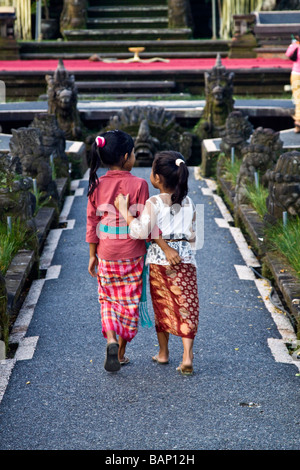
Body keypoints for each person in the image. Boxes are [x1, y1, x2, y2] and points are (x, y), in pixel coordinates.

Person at [115, 150, 199, 375]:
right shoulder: (189, 201)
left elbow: (141, 232)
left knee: (163, 306)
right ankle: (187, 356)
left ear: (157, 178)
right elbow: (192, 236)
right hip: (186, 261)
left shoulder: (154, 202)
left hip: (160, 263)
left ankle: (163, 353)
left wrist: (125, 212)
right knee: (186, 306)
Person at [86, 130, 151, 372]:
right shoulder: (140, 184)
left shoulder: (97, 184)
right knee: (129, 302)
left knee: (107, 299)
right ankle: (121, 352)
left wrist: (93, 255)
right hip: (132, 253)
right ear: (126, 157)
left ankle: (111, 340)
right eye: (133, 153)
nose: (134, 157)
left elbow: (92, 222)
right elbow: (145, 224)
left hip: (106, 252)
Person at [286, 32, 300, 133]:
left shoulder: (295, 46)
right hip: (296, 74)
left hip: (296, 74)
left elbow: (288, 54)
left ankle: (298, 120)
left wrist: (293, 45)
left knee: (298, 97)